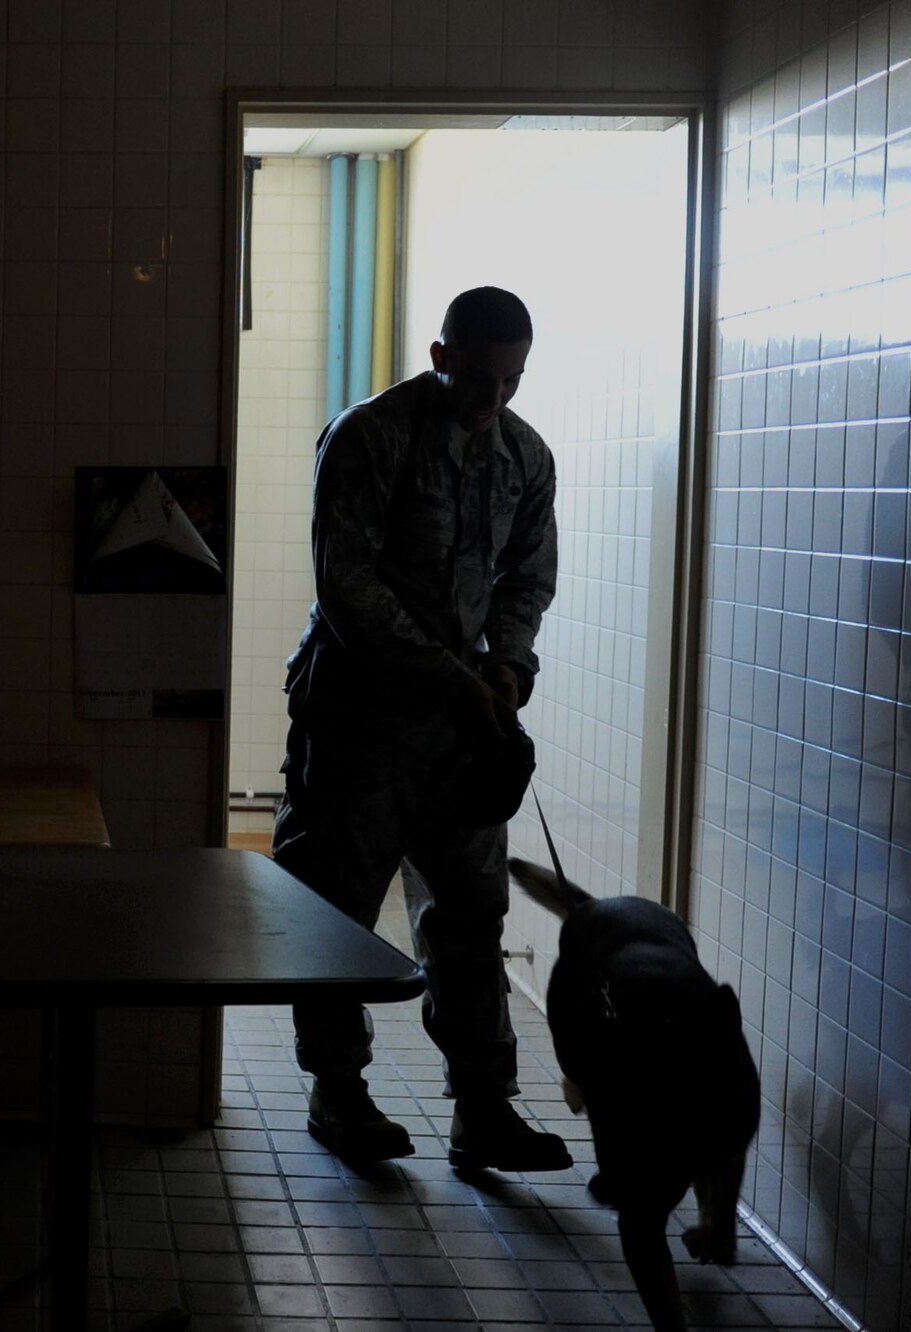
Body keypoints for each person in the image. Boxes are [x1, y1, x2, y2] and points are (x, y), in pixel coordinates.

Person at [271, 285, 571, 1172]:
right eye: (477, 379)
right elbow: (348, 588)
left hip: (463, 732)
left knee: (472, 916)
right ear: (439, 358)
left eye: (511, 382)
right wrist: (456, 679)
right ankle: (339, 1091)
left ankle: (484, 1107)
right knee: (336, 910)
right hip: (359, 716)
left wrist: (508, 666)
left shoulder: (525, 455)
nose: (492, 402)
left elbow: (528, 577)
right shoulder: (369, 437)